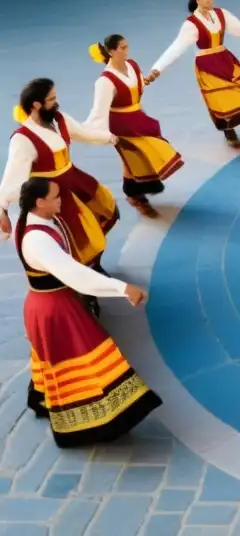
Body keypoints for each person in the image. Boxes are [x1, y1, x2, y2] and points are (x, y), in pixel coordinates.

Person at [15, 178, 161, 446]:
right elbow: (75, 275)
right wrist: (122, 288)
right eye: (56, 196)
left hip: (54, 304)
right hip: (55, 310)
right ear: (40, 202)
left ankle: (83, 410)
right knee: (86, 354)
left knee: (65, 358)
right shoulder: (37, 240)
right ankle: (91, 423)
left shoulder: (41, 220)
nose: (61, 199)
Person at [1, 78, 119, 285]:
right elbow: (13, 175)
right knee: (79, 238)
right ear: (36, 105)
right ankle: (86, 286)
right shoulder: (23, 139)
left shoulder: (60, 119)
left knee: (106, 209)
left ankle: (93, 266)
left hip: (75, 180)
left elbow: (83, 133)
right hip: (54, 193)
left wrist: (108, 137)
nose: (56, 102)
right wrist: (2, 207)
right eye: (51, 99)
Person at [146, 0, 240, 148]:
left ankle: (230, 124)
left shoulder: (221, 14)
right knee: (221, 98)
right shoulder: (191, 24)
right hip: (206, 65)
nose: (209, 0)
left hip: (225, 58)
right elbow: (177, 47)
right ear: (197, 0)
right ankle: (229, 129)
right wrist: (157, 69)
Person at [86, 34, 184, 218]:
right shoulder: (105, 81)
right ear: (111, 51)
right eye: (122, 48)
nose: (126, 51)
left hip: (138, 118)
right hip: (121, 125)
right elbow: (99, 112)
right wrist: (90, 132)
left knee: (135, 159)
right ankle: (134, 194)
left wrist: (145, 81)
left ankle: (134, 192)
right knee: (134, 157)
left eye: (127, 46)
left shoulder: (133, 66)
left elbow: (136, 89)